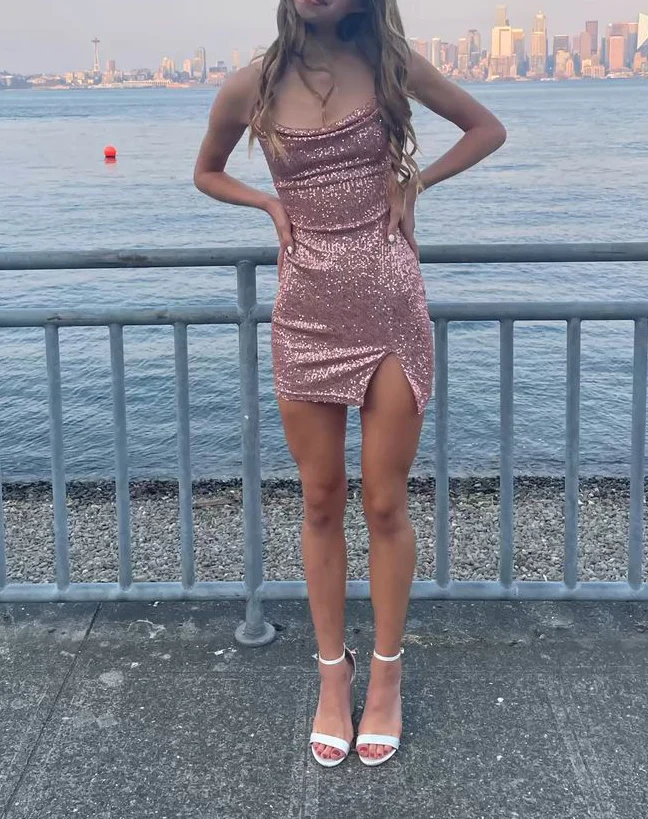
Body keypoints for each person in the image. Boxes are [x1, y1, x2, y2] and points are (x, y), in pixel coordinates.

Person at [194, 0, 506, 769]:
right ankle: (334, 677)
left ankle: (387, 677)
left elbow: (486, 128)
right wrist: (266, 202)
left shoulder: (391, 65)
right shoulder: (251, 85)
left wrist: (414, 184)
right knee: (320, 499)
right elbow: (206, 171)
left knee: (385, 502)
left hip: (390, 303)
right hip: (305, 309)